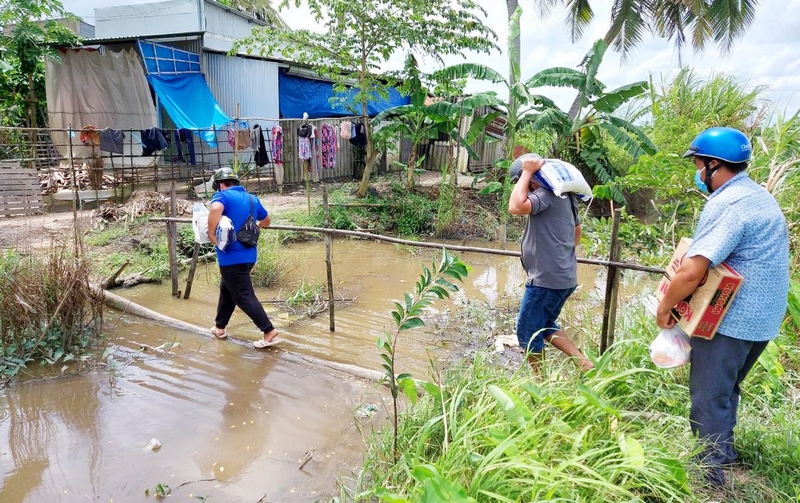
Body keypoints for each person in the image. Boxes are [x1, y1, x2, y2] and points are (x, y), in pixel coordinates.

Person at [656, 127, 790, 487]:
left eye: (699, 165)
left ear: (714, 164)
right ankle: (724, 453)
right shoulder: (759, 196)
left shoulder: (727, 205)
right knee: (727, 388)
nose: (698, 173)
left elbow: (691, 271)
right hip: (763, 320)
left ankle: (708, 477)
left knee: (708, 398)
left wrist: (665, 306)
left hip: (731, 322)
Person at [508, 154, 594, 371]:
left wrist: (526, 172)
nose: (524, 188)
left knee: (528, 331)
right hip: (563, 277)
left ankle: (540, 383)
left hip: (546, 281)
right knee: (544, 325)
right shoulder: (567, 198)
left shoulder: (545, 194)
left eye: (523, 182)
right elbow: (576, 234)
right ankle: (584, 363)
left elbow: (515, 206)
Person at [207, 167, 281, 349]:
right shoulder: (251, 199)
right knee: (228, 291)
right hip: (249, 255)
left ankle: (268, 331)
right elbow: (266, 221)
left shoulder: (223, 196)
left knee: (243, 295)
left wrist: (211, 233)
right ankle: (220, 327)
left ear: (219, 185)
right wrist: (255, 225)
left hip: (231, 257)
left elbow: (216, 207)